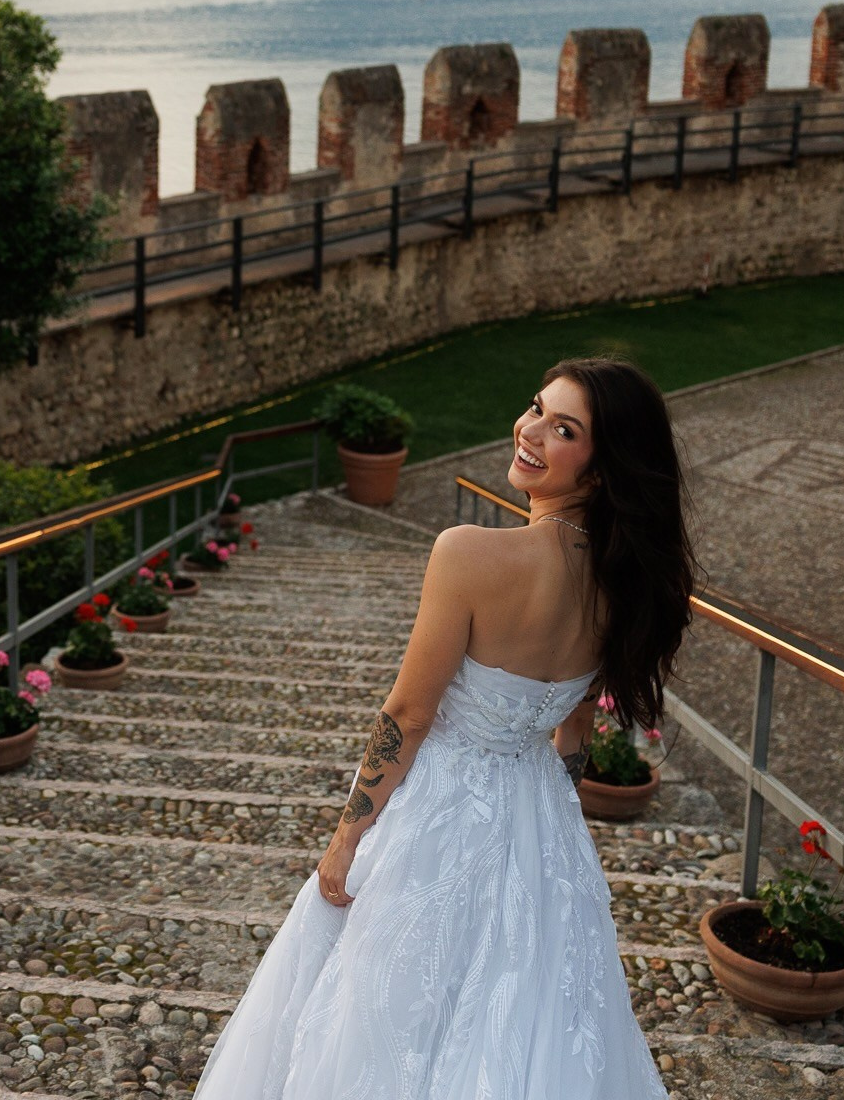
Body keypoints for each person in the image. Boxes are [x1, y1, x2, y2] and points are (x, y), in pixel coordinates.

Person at [195, 357, 696, 1099]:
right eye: (536, 408)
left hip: (439, 810)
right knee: (528, 1014)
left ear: (601, 468)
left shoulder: (468, 552)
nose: (530, 431)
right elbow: (573, 731)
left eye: (564, 430)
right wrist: (551, 828)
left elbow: (409, 713)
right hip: (542, 820)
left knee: (390, 1012)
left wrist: (345, 840)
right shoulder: (626, 586)